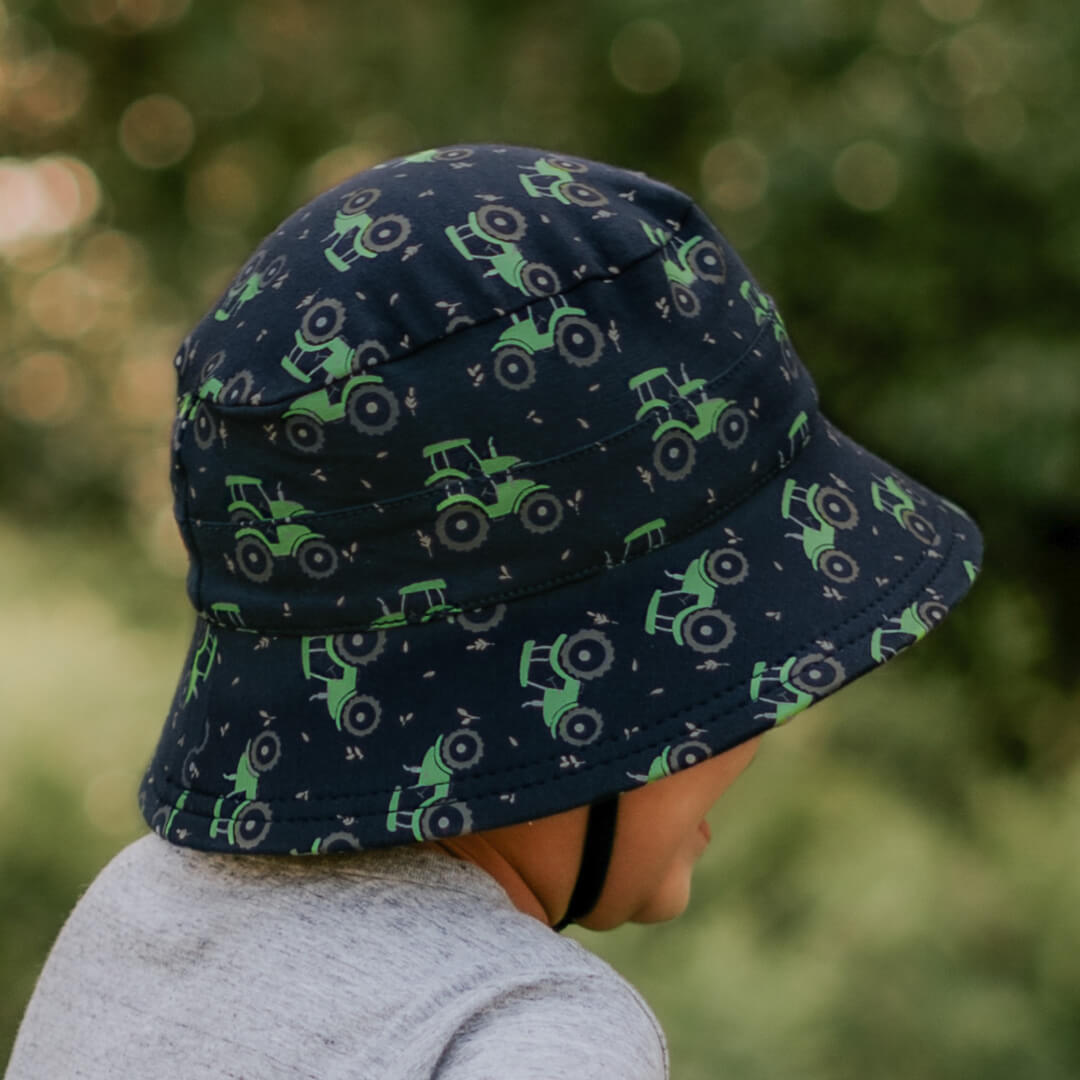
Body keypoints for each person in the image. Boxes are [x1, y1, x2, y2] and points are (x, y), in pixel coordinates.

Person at [4, 143, 982, 1079]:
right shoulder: (527, 1029)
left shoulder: (138, 913)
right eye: (749, 663)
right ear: (613, 674)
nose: (766, 728)